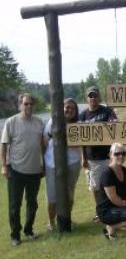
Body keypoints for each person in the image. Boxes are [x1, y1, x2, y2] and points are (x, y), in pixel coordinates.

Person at [1, 93, 44, 246]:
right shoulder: (11, 122)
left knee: (32, 203)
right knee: (14, 205)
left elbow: (43, 146)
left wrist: (43, 165)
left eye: (31, 104)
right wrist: (4, 166)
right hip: (16, 170)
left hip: (34, 171)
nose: (29, 106)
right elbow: (4, 145)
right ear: (20, 105)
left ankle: (29, 230)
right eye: (25, 104)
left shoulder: (39, 122)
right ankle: (15, 235)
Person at [79, 86, 117, 221]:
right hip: (91, 158)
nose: (93, 98)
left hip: (108, 155)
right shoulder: (82, 116)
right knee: (94, 186)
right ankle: (99, 211)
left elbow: (115, 124)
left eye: (95, 95)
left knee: (110, 183)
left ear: (99, 97)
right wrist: (83, 157)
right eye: (90, 96)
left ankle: (112, 207)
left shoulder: (107, 111)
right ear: (87, 98)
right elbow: (80, 139)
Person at [44, 98, 81, 230]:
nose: (68, 109)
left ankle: (67, 220)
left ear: (75, 111)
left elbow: (83, 143)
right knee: (52, 196)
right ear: (61, 108)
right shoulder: (52, 122)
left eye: (72, 108)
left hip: (73, 162)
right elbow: (44, 141)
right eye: (66, 107)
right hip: (52, 163)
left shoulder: (78, 124)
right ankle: (51, 222)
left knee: (69, 194)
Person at [97, 143, 126, 240]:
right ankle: (111, 227)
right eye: (117, 154)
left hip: (120, 207)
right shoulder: (107, 173)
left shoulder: (124, 170)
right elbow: (113, 198)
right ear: (110, 155)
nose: (121, 156)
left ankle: (120, 225)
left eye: (123, 153)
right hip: (107, 211)